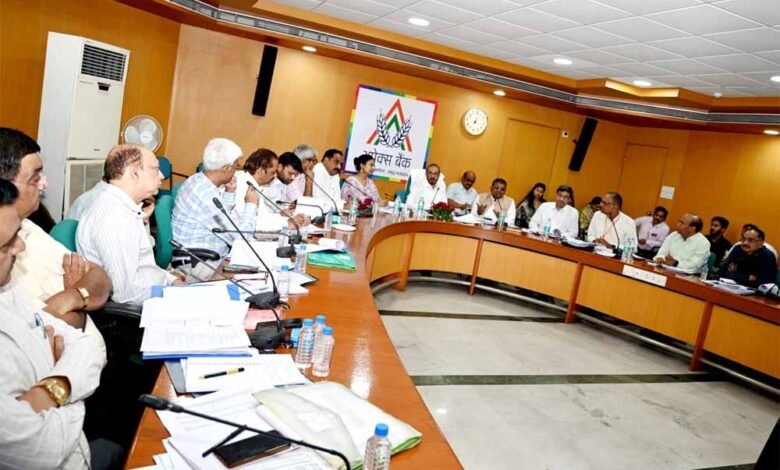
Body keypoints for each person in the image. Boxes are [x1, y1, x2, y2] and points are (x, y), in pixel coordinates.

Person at [0, 178, 113, 470]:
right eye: (7, 244)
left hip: (79, 450)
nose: (20, 246)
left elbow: (85, 346)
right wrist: (75, 392)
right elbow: (42, 450)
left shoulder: (7, 291)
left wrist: (51, 390)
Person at [0, 128, 111, 334]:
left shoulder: (29, 228)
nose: (45, 184)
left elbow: (100, 276)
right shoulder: (5, 253)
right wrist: (80, 304)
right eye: (35, 179)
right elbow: (38, 334)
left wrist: (72, 296)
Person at [78, 145, 183, 304]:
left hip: (154, 290)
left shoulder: (125, 207)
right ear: (135, 173)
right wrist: (169, 292)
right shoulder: (114, 218)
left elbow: (144, 265)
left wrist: (170, 279)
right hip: (141, 307)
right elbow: (126, 294)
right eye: (155, 169)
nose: (161, 176)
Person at [172, 138, 260, 260]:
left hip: (206, 254)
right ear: (226, 168)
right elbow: (242, 238)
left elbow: (220, 217)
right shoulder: (205, 196)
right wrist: (251, 204)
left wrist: (229, 193)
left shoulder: (197, 179)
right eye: (236, 167)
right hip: (200, 261)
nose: (236, 172)